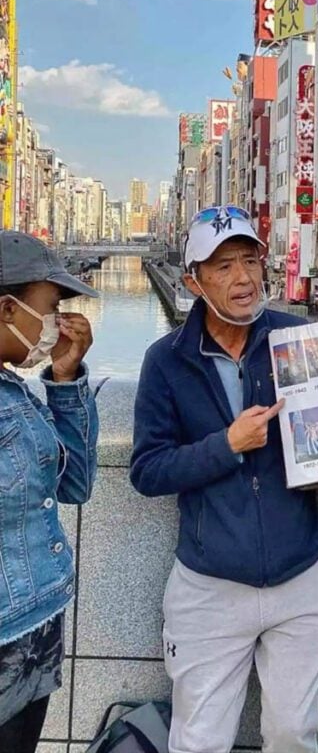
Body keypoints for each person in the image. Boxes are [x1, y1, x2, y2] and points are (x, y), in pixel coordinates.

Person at [130, 206, 318, 753]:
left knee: (293, 735)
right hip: (209, 585)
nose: (242, 279)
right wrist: (226, 446)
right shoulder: (165, 360)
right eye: (222, 266)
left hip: (301, 576)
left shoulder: (298, 337)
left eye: (249, 261)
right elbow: (147, 469)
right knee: (199, 740)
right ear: (193, 280)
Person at [0, 232, 99, 753]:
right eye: (52, 308)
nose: (58, 324)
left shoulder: (16, 389)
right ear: (6, 308)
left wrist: (64, 378)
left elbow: (76, 484)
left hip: (38, 622)